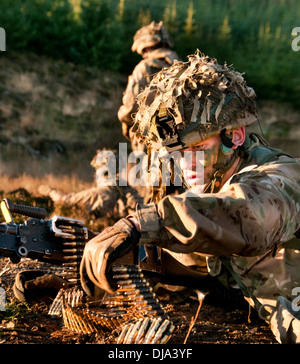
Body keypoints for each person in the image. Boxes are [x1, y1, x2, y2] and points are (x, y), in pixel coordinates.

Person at [80, 51, 300, 343]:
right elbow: (191, 259)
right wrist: (81, 267)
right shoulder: (212, 190)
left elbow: (248, 219)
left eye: (197, 149)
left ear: (234, 137)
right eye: (179, 154)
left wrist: (144, 224)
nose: (187, 166)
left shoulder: (280, 177)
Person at [118, 20, 180, 153]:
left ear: (146, 48)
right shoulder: (180, 67)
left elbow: (131, 108)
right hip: (179, 142)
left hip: (152, 142)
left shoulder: (144, 67)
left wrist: (122, 116)